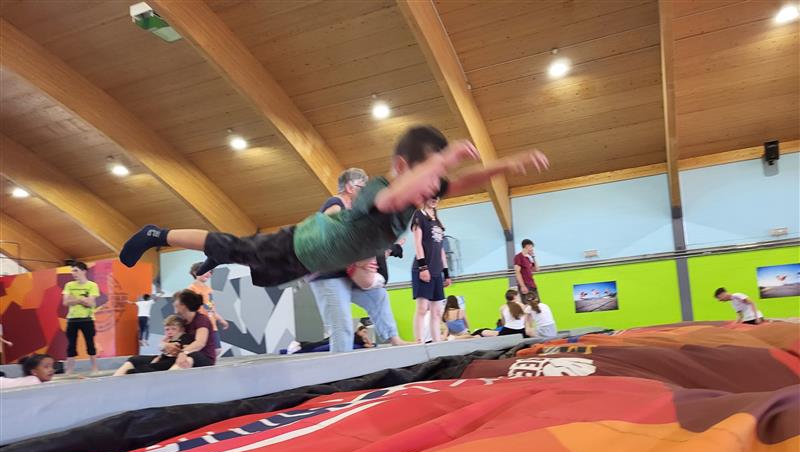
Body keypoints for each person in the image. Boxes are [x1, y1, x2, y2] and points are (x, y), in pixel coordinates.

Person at [118, 126, 550, 294]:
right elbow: (394, 198)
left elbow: (459, 183)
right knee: (234, 247)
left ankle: (215, 255)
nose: (432, 189)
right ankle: (158, 234)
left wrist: (505, 164)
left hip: (309, 259)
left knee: (243, 257)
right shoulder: (382, 190)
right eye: (427, 177)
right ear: (402, 168)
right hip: (303, 245)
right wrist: (446, 156)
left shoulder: (419, 194)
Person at [308, 168, 407, 352]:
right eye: (362, 188)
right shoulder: (335, 203)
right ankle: (341, 365)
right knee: (342, 324)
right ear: (349, 187)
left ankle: (394, 339)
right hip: (327, 274)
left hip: (345, 274)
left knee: (378, 295)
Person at [412, 194, 451, 343]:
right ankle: (419, 341)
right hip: (422, 268)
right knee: (422, 308)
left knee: (437, 312)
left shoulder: (438, 222)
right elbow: (417, 243)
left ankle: (437, 342)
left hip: (436, 271)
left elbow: (441, 249)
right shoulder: (419, 216)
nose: (434, 199)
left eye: (437, 197)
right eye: (431, 196)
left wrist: (446, 273)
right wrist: (423, 267)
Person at [113, 315, 193, 376]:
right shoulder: (168, 339)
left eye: (173, 329)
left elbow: (185, 349)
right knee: (135, 361)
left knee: (138, 370)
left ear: (181, 330)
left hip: (172, 361)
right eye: (167, 329)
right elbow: (163, 353)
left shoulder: (184, 337)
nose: (170, 332)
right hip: (163, 360)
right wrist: (158, 357)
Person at [62, 262, 100, 375]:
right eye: (72, 271)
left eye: (76, 271)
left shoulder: (92, 285)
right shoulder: (69, 285)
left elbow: (91, 303)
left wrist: (74, 299)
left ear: (84, 271)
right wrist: (82, 299)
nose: (73, 273)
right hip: (72, 319)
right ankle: (69, 370)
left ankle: (94, 368)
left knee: (90, 344)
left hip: (87, 319)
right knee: (71, 345)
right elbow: (65, 302)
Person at [168, 290, 217, 369]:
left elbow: (200, 343)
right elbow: (167, 340)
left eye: (176, 301)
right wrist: (166, 346)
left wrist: (183, 352)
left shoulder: (201, 320)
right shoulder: (182, 322)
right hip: (186, 354)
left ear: (184, 305)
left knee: (189, 358)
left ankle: (172, 374)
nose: (173, 303)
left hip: (203, 357)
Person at [188, 263, 230, 357]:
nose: (208, 273)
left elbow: (211, 308)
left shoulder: (208, 290)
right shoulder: (191, 289)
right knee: (205, 349)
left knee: (217, 350)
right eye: (205, 271)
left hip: (211, 324)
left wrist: (221, 320)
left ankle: (202, 361)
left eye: (210, 271)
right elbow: (190, 309)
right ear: (195, 272)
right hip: (201, 325)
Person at [286, 325, 375, 354]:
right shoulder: (354, 335)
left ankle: (299, 345)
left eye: (366, 332)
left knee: (318, 345)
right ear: (358, 331)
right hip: (336, 338)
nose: (365, 334)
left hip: (338, 339)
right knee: (319, 343)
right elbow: (369, 345)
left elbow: (370, 345)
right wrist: (366, 339)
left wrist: (366, 337)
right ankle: (299, 344)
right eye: (363, 331)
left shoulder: (361, 340)